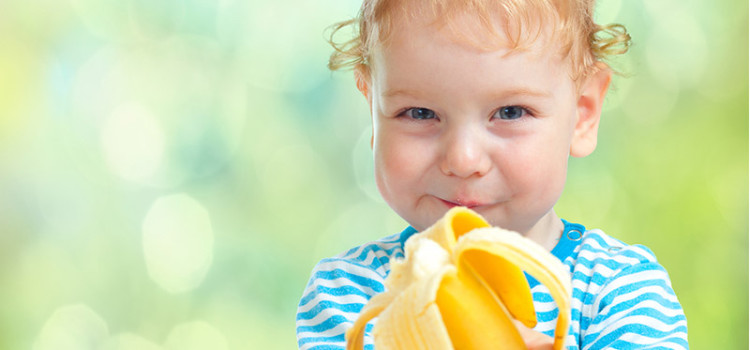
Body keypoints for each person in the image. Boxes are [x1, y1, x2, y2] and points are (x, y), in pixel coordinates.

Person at [296, 0, 688, 348]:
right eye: (419, 113)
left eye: (510, 112)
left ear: (583, 114)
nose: (463, 160)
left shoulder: (621, 291)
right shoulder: (347, 295)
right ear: (372, 110)